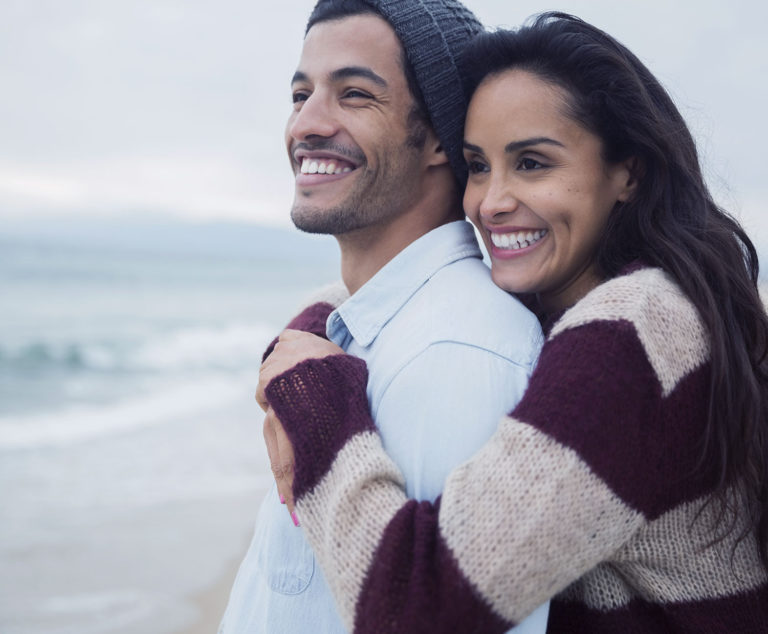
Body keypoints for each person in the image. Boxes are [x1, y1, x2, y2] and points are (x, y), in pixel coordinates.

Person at [257, 12, 768, 633]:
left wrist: (316, 409)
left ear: (626, 172)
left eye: (532, 164)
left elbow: (415, 610)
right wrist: (313, 333)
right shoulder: (583, 299)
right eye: (478, 165)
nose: (492, 201)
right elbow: (363, 296)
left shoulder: (632, 331)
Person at [219, 1, 550, 632]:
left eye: (354, 95)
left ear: (436, 138)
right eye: (300, 93)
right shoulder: (353, 335)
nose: (307, 124)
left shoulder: (456, 356)